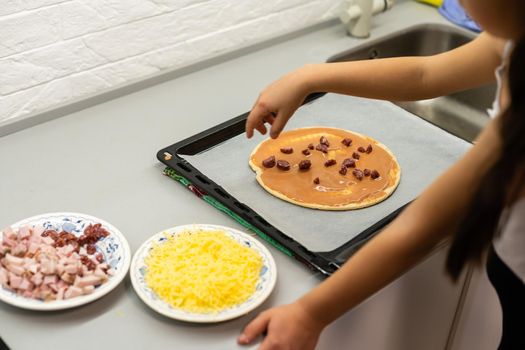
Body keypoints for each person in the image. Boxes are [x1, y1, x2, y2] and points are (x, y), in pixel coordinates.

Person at [238, 0, 525, 349]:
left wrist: (310, 313)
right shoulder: (512, 35)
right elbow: (427, 74)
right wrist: (308, 76)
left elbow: (421, 226)